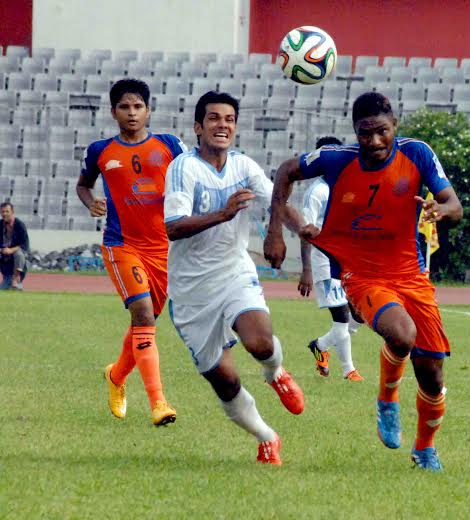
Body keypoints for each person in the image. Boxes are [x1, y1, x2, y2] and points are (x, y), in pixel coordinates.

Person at [264, 92, 463, 471]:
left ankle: (424, 449)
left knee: (433, 375)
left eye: (382, 132)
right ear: (355, 131)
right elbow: (287, 170)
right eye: (365, 133)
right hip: (362, 274)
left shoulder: (417, 154)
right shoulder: (338, 159)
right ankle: (387, 398)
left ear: (395, 126)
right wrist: (276, 230)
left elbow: (455, 205)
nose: (373, 142)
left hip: (411, 273)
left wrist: (442, 209)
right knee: (402, 335)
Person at [164, 91, 305, 465]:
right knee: (223, 380)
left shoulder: (243, 165)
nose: (222, 124)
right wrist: (223, 215)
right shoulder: (183, 168)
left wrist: (296, 229)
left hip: (233, 271)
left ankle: (275, 373)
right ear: (198, 127)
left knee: (259, 341)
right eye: (213, 118)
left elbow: (277, 197)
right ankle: (266, 436)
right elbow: (174, 228)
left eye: (228, 119)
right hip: (191, 290)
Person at [76, 78, 187, 426]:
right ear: (113, 112)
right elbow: (83, 184)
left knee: (145, 323)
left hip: (163, 249)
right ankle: (158, 403)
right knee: (142, 313)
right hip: (122, 245)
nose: (132, 112)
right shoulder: (100, 151)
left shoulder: (170, 145)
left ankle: (116, 376)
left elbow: (193, 177)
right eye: (124, 106)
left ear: (148, 109)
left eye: (138, 106)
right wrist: (90, 201)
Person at [298, 136, 364, 381]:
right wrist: (306, 270)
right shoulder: (316, 192)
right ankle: (349, 370)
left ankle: (320, 345)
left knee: (362, 315)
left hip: (349, 261)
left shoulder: (347, 187)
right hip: (325, 263)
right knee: (341, 318)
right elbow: (305, 231)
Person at [0, 201, 29, 290]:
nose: (4, 214)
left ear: (12, 212)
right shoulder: (0, 224)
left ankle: (16, 279)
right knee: (4, 288)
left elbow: (25, 245)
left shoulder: (20, 225)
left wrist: (11, 250)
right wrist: (2, 250)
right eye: (2, 212)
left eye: (7, 211)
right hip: (4, 257)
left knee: (19, 254)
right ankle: (9, 281)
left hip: (17, 258)